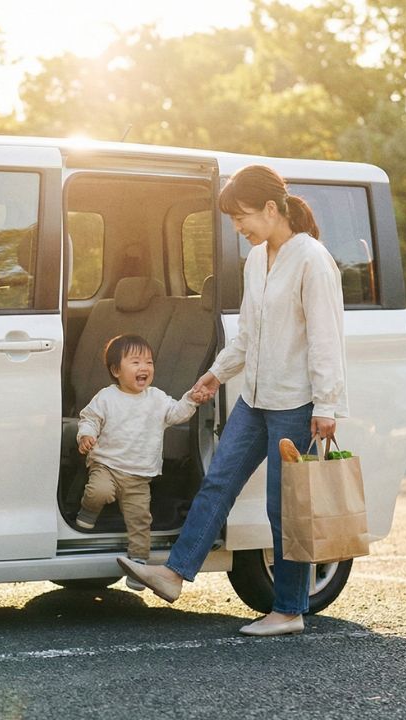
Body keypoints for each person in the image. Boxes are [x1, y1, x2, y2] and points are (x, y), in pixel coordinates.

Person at [121, 164, 347, 637]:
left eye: (241, 217)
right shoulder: (256, 260)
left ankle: (289, 610)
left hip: (296, 404)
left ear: (271, 208)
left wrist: (326, 406)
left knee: (284, 508)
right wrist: (214, 375)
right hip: (255, 399)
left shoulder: (312, 259)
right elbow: (246, 336)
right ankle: (175, 573)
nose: (237, 228)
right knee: (217, 482)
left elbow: (327, 340)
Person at [76, 334, 208, 575]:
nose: (144, 367)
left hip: (139, 475)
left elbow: (176, 413)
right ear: (116, 370)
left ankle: (138, 563)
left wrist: (191, 400)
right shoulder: (107, 397)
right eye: (135, 362)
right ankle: (88, 511)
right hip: (107, 465)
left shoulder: (156, 398)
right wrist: (86, 435)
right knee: (99, 492)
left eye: (149, 362)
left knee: (140, 520)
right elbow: (90, 419)